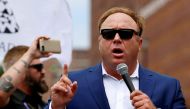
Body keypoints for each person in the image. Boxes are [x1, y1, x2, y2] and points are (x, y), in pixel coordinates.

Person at [46, 7, 186, 109]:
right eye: (108, 33)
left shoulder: (168, 87)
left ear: (139, 43)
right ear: (100, 41)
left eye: (125, 33)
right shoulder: (72, 84)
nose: (117, 39)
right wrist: (56, 106)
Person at [0, 36, 52, 109]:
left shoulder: (40, 103)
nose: (43, 71)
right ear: (21, 71)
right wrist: (30, 54)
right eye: (38, 67)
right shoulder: (9, 101)